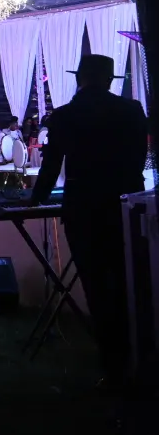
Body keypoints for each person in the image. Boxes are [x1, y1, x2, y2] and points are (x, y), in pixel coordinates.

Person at [31, 54, 148, 392]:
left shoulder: (66, 115)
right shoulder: (132, 110)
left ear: (80, 78)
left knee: (97, 287)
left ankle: (113, 366)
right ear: (110, 80)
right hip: (127, 207)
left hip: (84, 209)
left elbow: (52, 166)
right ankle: (136, 356)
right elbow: (139, 159)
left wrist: (35, 198)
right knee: (129, 282)